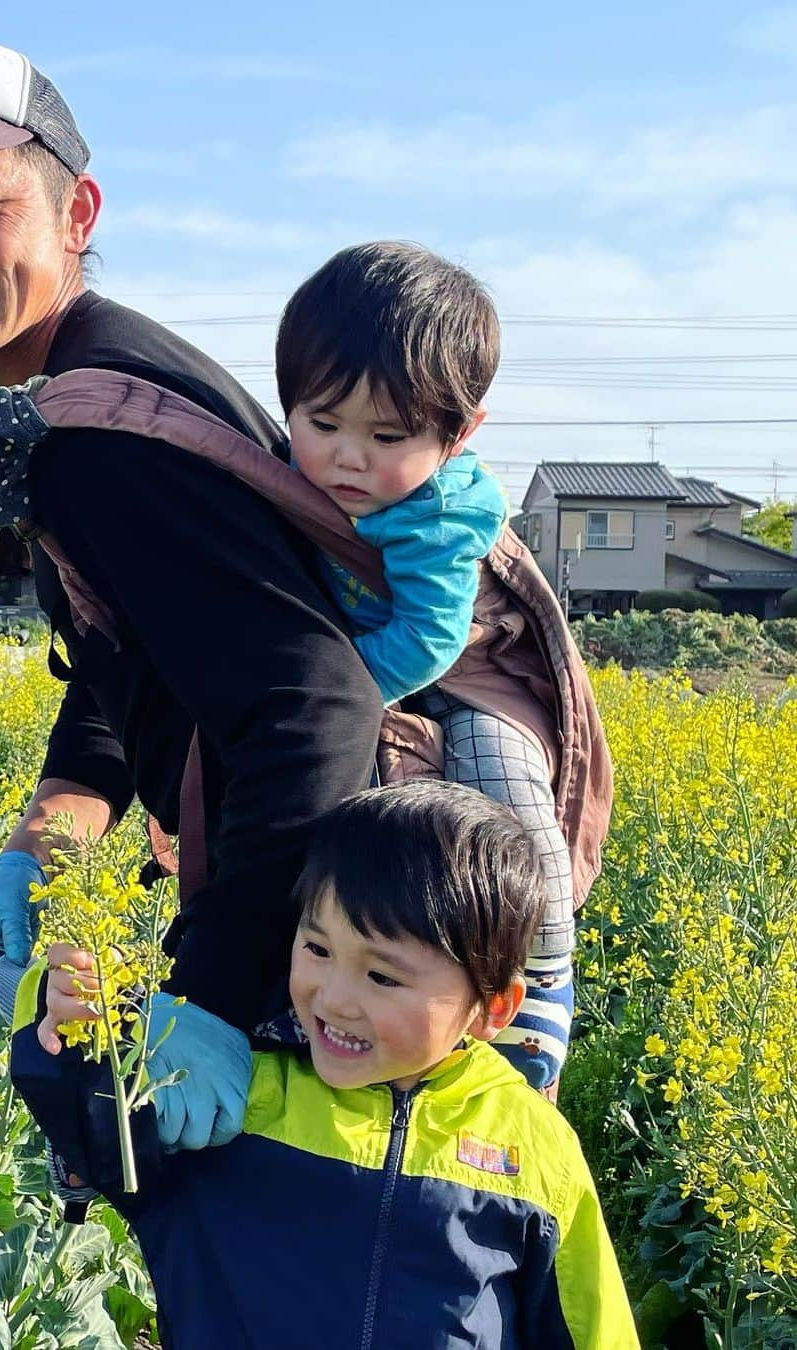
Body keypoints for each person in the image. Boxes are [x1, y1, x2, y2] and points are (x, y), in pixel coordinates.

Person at [0, 27, 385, 1155]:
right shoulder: (80, 392)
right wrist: (49, 831)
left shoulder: (103, 433)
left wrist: (214, 1001)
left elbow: (316, 710)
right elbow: (143, 651)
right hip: (343, 911)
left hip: (375, 947)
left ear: (76, 218)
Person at [10, 780, 639, 1349]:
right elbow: (90, 1129)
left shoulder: (533, 1148)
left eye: (383, 977)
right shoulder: (241, 1101)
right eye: (316, 947)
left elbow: (589, 1329)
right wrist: (77, 1010)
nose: (334, 998)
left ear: (493, 1006)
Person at [276, 242, 574, 1090]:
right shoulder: (294, 477)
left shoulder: (440, 516)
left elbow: (431, 641)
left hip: (464, 676)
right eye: (322, 423)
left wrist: (334, 701)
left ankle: (541, 987)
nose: (347, 458)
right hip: (382, 664)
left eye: (387, 436)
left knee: (507, 805)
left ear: (459, 435)